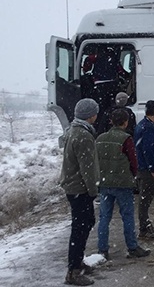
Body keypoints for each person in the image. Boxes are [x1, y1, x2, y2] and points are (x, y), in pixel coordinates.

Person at [96, 109, 151, 259]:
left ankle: (102, 250)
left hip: (104, 183)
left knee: (104, 217)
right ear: (126, 122)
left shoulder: (100, 138)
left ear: (111, 121)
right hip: (123, 184)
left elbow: (95, 160)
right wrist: (132, 176)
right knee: (127, 216)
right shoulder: (126, 139)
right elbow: (134, 162)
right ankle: (132, 247)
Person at [59, 98, 100, 286]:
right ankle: (73, 271)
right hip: (79, 188)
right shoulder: (83, 136)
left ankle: (78, 262)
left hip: (72, 186)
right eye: (95, 112)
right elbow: (88, 168)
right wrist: (93, 190)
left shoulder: (72, 131)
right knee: (80, 228)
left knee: (84, 223)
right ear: (90, 115)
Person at [134, 100, 154, 239]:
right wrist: (153, 168)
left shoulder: (142, 125)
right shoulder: (149, 128)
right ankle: (144, 229)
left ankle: (145, 225)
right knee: (145, 200)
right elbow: (148, 150)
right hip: (146, 169)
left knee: (145, 199)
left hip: (142, 167)